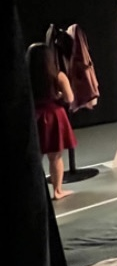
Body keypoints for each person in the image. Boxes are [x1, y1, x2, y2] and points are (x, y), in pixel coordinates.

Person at [26, 42, 78, 200]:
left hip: (34, 116)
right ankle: (57, 191)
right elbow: (70, 98)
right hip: (53, 116)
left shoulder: (26, 77)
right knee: (55, 157)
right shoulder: (58, 76)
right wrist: (59, 95)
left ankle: (33, 192)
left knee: (35, 158)